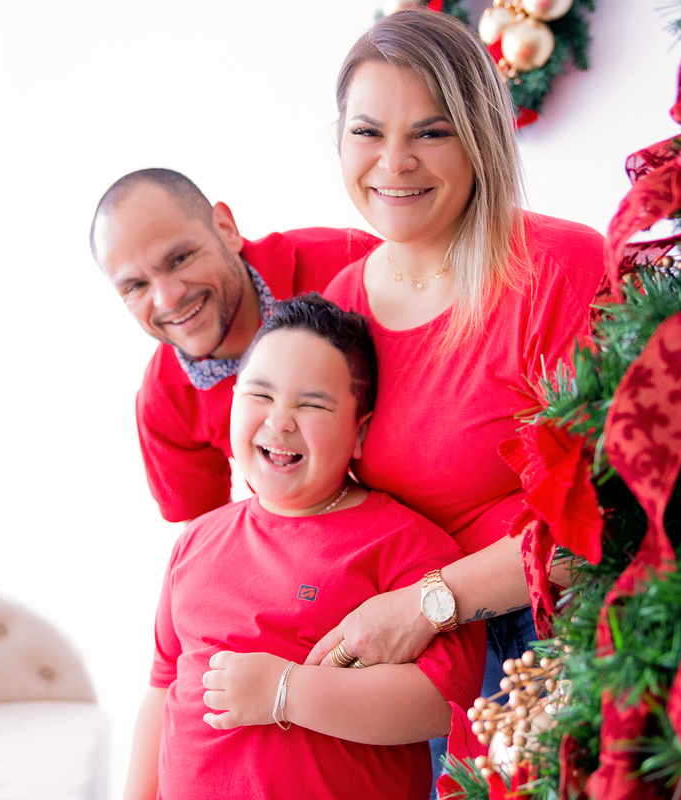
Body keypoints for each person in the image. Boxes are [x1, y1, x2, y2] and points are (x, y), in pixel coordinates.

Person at [311, 8, 605, 710]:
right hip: (410, 658)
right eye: (367, 132)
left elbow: (599, 518)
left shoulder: (560, 269)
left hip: (552, 637)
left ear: (480, 139)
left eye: (431, 132)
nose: (394, 162)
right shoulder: (340, 305)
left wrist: (428, 603)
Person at [125, 294, 485, 800]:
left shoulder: (407, 545)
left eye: (311, 404)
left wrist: (286, 692)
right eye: (260, 395)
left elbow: (441, 702)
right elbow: (163, 688)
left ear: (359, 432)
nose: (280, 422)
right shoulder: (196, 542)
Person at [89, 169, 380, 522]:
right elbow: (208, 534)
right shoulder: (163, 402)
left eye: (180, 259)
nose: (168, 298)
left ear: (226, 228)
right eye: (135, 286)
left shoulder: (351, 264)